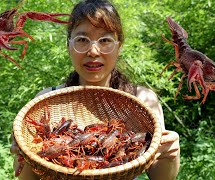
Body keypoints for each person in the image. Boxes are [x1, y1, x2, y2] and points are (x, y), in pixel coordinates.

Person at [10, 0, 180, 179]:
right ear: (68, 45)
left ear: (119, 46)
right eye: (82, 40)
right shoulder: (44, 101)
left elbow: (162, 177)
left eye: (105, 40)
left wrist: (170, 155)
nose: (93, 51)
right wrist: (25, 155)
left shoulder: (143, 100)